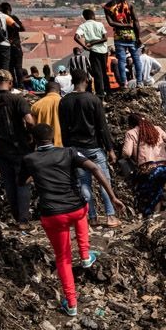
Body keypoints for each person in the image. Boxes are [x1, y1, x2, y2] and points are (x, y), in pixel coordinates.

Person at [19, 123, 125, 317]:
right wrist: (112, 197)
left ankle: (72, 302)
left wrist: (39, 176)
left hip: (53, 215)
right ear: (53, 137)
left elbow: (22, 182)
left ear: (32, 139)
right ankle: (85, 255)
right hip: (76, 209)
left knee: (63, 258)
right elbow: (94, 168)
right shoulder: (69, 152)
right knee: (82, 209)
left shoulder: (29, 159)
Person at [59, 69, 120, 228]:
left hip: (75, 149)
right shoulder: (93, 100)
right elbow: (102, 127)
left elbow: (63, 129)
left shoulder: (64, 101)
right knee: (103, 181)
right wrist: (110, 149)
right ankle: (110, 216)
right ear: (86, 80)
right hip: (94, 147)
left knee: (83, 184)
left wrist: (68, 150)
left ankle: (92, 217)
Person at [0, 70, 35, 226]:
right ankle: (23, 220)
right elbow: (29, 121)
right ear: (10, 83)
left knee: (8, 182)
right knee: (22, 180)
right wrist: (31, 136)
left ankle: (17, 217)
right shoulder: (17, 100)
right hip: (20, 145)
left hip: (0, 146)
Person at [122, 112, 166, 217]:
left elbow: (127, 153)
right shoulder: (157, 129)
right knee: (158, 189)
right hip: (164, 168)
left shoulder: (131, 133)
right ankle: (157, 213)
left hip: (148, 169)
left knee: (146, 192)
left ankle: (149, 214)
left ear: (131, 123)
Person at [103, 0, 143, 89]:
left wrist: (122, 25)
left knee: (121, 60)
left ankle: (124, 83)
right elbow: (136, 21)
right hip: (131, 36)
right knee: (136, 59)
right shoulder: (128, 4)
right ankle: (139, 82)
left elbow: (111, 23)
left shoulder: (107, 7)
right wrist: (138, 37)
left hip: (119, 37)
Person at [74, 8, 111, 98]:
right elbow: (105, 38)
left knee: (97, 73)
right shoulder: (99, 24)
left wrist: (85, 45)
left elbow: (76, 37)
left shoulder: (83, 26)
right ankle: (108, 91)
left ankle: (100, 93)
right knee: (103, 71)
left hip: (94, 51)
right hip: (104, 51)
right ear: (93, 16)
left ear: (84, 17)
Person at [31, 81, 63, 146]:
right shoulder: (65, 102)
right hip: (63, 143)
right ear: (59, 91)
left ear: (46, 91)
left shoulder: (36, 105)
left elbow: (32, 124)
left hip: (43, 144)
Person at [0, 2, 25, 84]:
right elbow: (22, 28)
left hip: (5, 46)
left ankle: (12, 85)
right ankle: (20, 85)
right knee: (18, 67)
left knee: (10, 68)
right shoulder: (13, 18)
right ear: (10, 9)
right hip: (16, 45)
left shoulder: (0, 19)